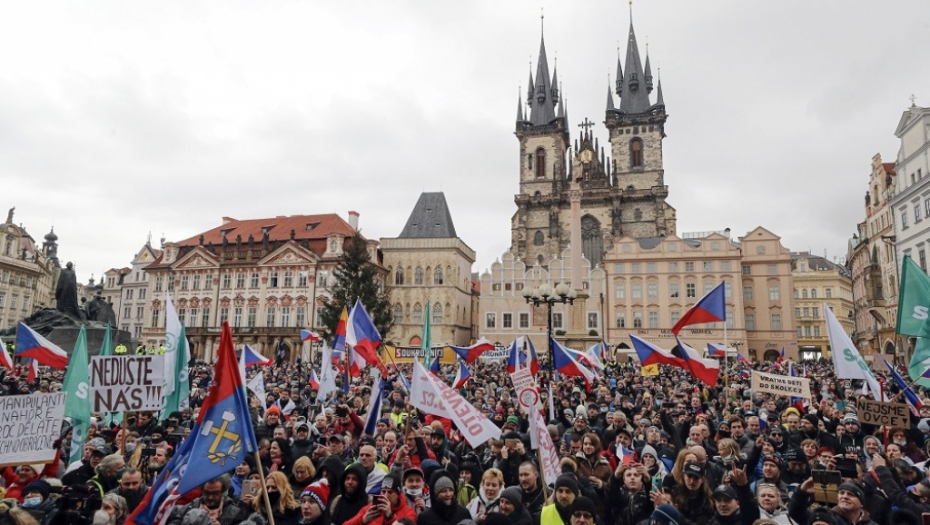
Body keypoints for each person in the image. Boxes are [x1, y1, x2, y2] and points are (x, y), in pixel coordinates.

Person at [166, 475, 250, 525]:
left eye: (215, 493)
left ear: (223, 491)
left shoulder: (235, 512)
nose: (210, 497)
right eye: (206, 493)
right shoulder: (189, 508)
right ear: (201, 490)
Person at [344, 473, 416, 525]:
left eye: (390, 492)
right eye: (383, 491)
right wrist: (362, 520)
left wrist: (390, 517)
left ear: (398, 494)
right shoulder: (370, 508)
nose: (385, 495)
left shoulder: (408, 512)